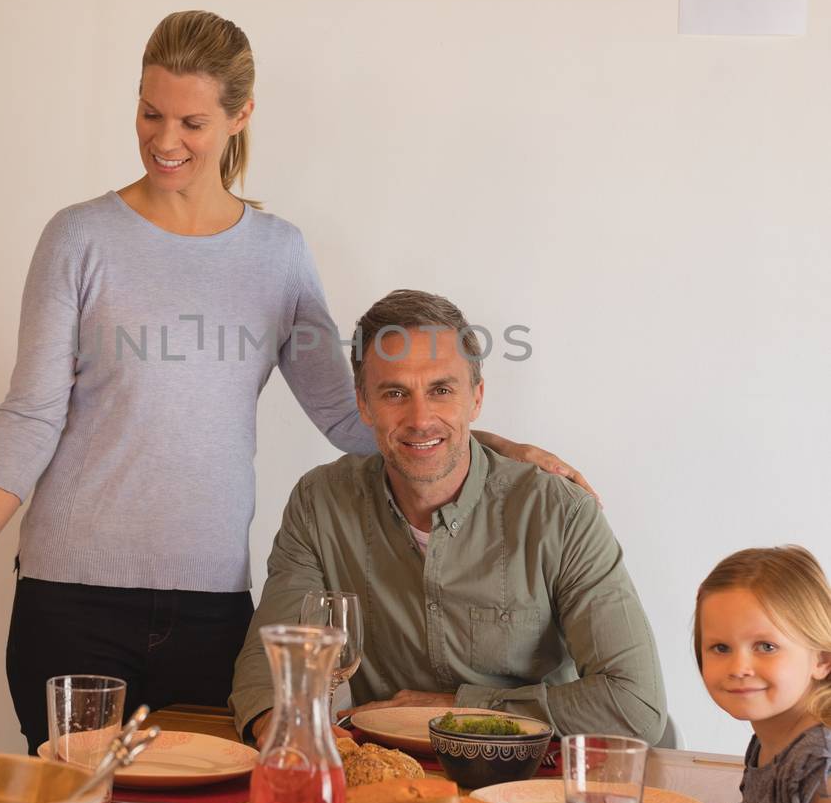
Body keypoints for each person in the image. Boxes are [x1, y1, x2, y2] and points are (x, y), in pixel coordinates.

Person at [0, 12, 591, 752]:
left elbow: (353, 418)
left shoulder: (276, 255)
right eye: (149, 113)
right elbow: (30, 417)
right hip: (70, 598)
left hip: (213, 607)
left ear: (240, 115)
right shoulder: (79, 237)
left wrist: (501, 450)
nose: (164, 139)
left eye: (191, 120)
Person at [231, 288, 665, 745]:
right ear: (363, 404)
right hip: (385, 780)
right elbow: (270, 664)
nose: (421, 418)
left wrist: (455, 709)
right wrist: (287, 732)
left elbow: (635, 705)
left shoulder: (561, 514)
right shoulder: (319, 504)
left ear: (475, 398)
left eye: (441, 390)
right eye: (395, 392)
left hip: (533, 782)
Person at [695, 546, 831, 803]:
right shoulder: (770, 738)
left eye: (766, 647)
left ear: (821, 659)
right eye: (720, 648)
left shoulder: (816, 764)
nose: (739, 666)